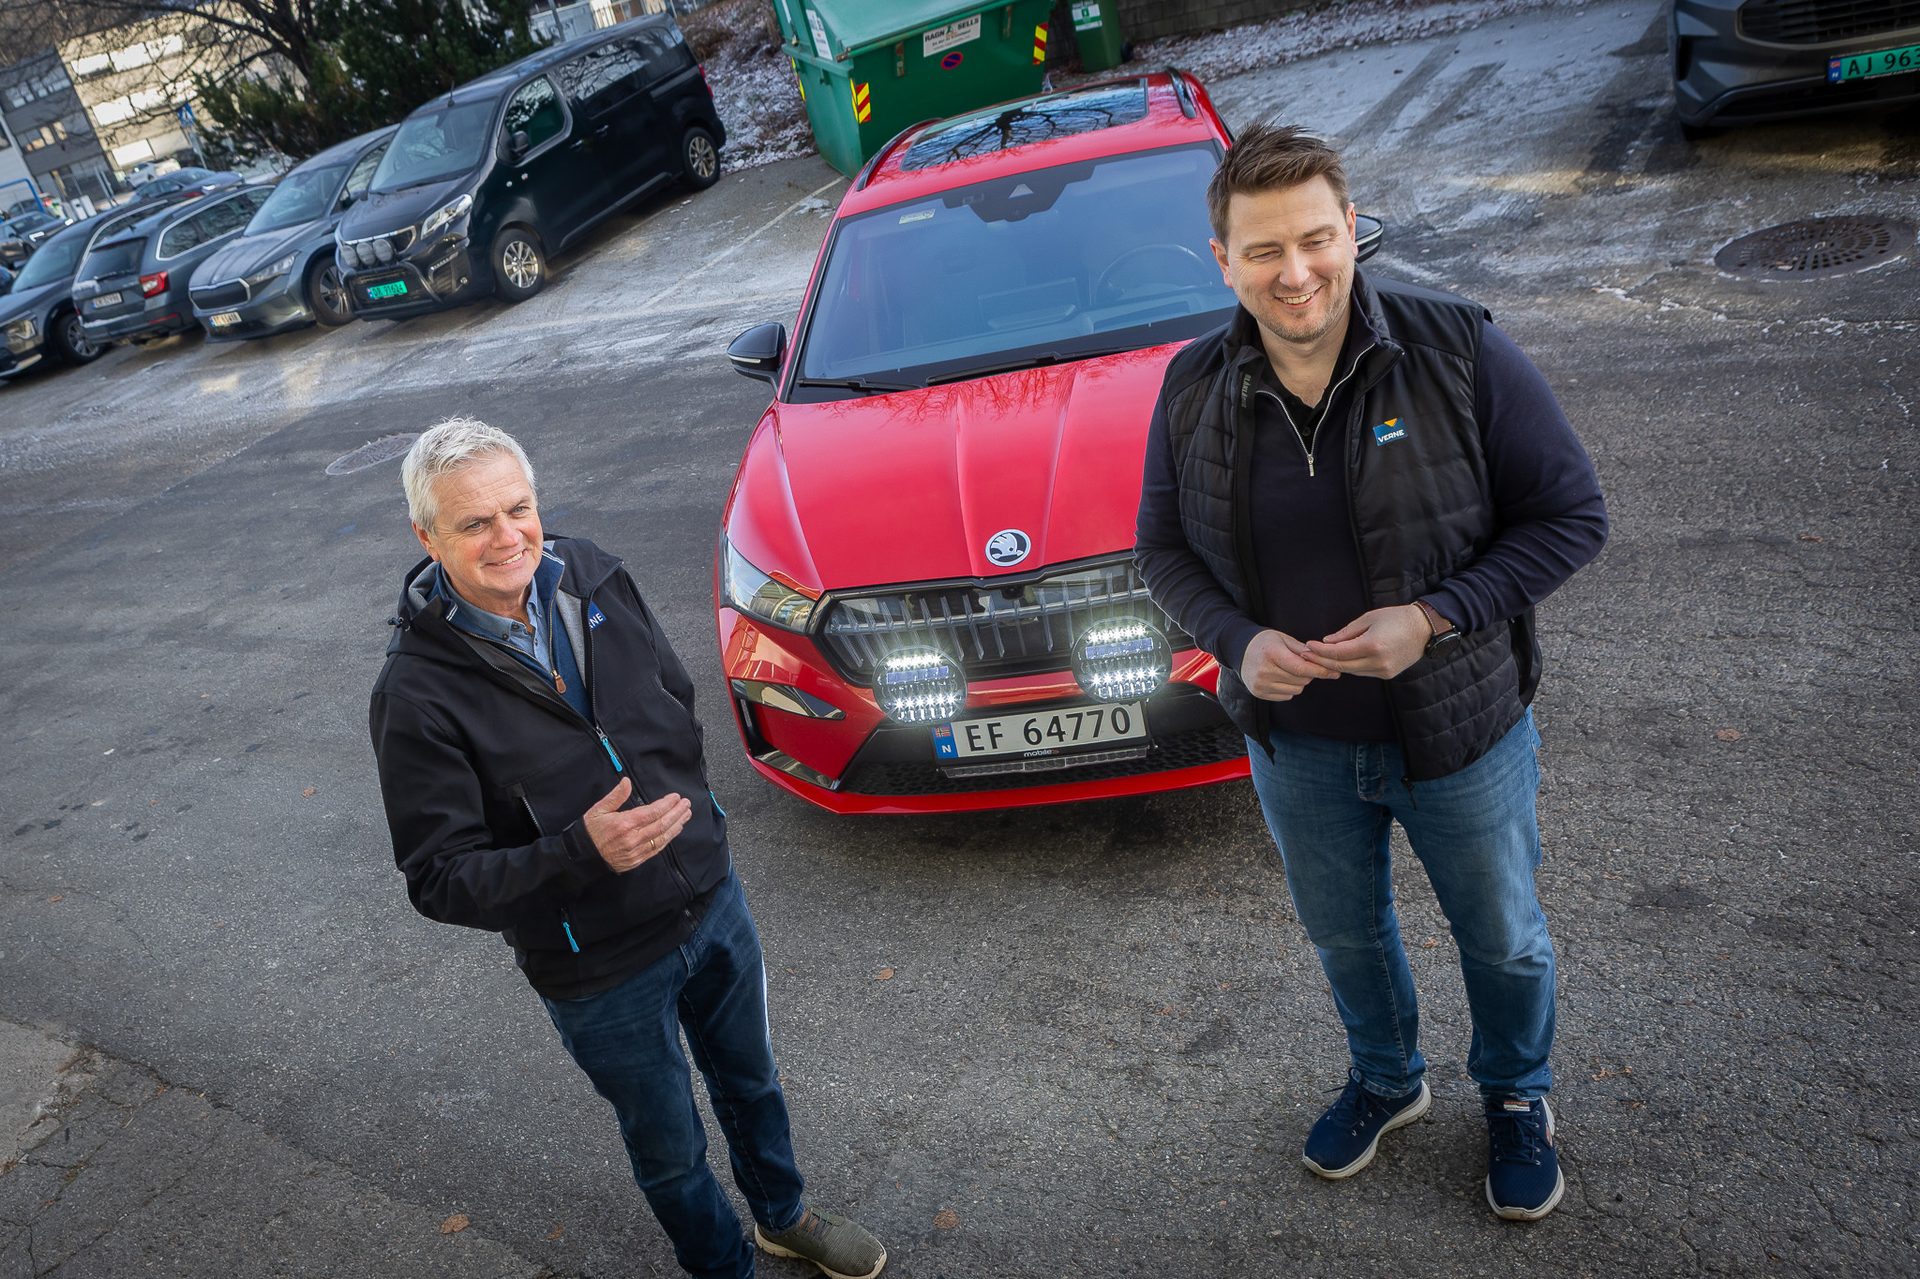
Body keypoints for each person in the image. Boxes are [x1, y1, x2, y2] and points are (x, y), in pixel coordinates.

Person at [1134, 124, 1608, 1221]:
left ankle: (1517, 1097)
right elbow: (1160, 548)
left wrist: (1437, 617)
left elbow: (1572, 515)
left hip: (1461, 732)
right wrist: (1236, 638)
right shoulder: (1193, 387)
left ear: (1353, 230)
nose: (1294, 273)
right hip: (1297, 747)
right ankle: (1390, 1079)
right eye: (1263, 251)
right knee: (1346, 932)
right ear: (1222, 259)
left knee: (1502, 935)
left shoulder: (1456, 349)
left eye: (1314, 239)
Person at [369, 419, 887, 1279]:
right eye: (474, 523)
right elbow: (437, 878)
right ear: (427, 536)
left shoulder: (594, 571)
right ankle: (725, 1268)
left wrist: (699, 818)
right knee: (671, 1150)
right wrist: (579, 853)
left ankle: (783, 1214)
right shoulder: (415, 693)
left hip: (710, 896)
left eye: (518, 508)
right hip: (597, 968)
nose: (509, 537)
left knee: (752, 1085)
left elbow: (671, 697)